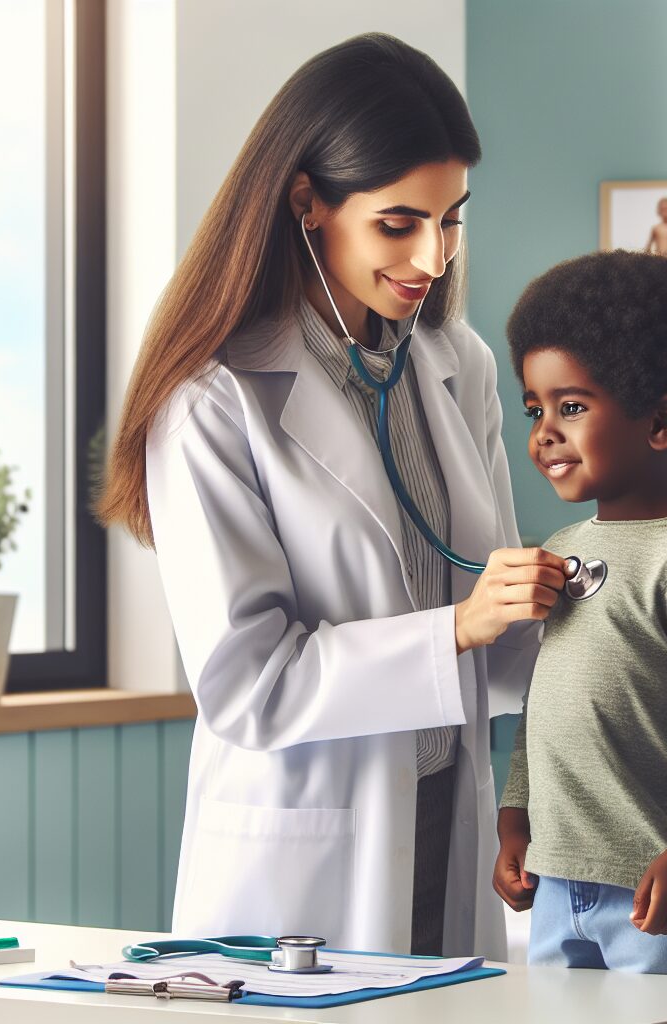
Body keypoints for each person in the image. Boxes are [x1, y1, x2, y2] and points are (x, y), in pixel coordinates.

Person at [95, 33, 568, 960]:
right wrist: (456, 630)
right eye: (399, 224)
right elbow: (248, 685)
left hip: (448, 818)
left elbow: (499, 645)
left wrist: (583, 608)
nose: (433, 255)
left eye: (452, 219)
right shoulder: (213, 398)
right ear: (308, 203)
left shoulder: (455, 365)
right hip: (306, 858)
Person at [493, 250, 667, 977]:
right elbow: (542, 704)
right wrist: (514, 819)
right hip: (558, 881)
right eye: (535, 409)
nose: (544, 432)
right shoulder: (559, 549)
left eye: (571, 407)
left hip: (657, 888)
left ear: (661, 421)